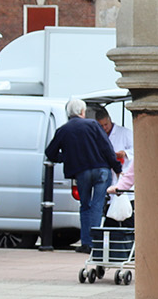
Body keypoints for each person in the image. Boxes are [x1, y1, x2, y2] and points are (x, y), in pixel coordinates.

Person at [44, 97, 120, 254]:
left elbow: (50, 153)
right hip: (101, 170)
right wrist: (117, 167)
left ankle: (86, 243)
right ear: (82, 111)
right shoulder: (93, 125)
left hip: (81, 172)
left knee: (85, 206)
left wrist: (65, 157)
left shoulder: (63, 130)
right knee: (97, 206)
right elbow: (107, 148)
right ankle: (96, 243)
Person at [91, 104, 133, 176]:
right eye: (101, 126)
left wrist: (125, 153)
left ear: (110, 119)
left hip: (123, 173)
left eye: (106, 124)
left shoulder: (125, 132)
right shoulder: (96, 136)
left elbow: (137, 149)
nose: (104, 128)